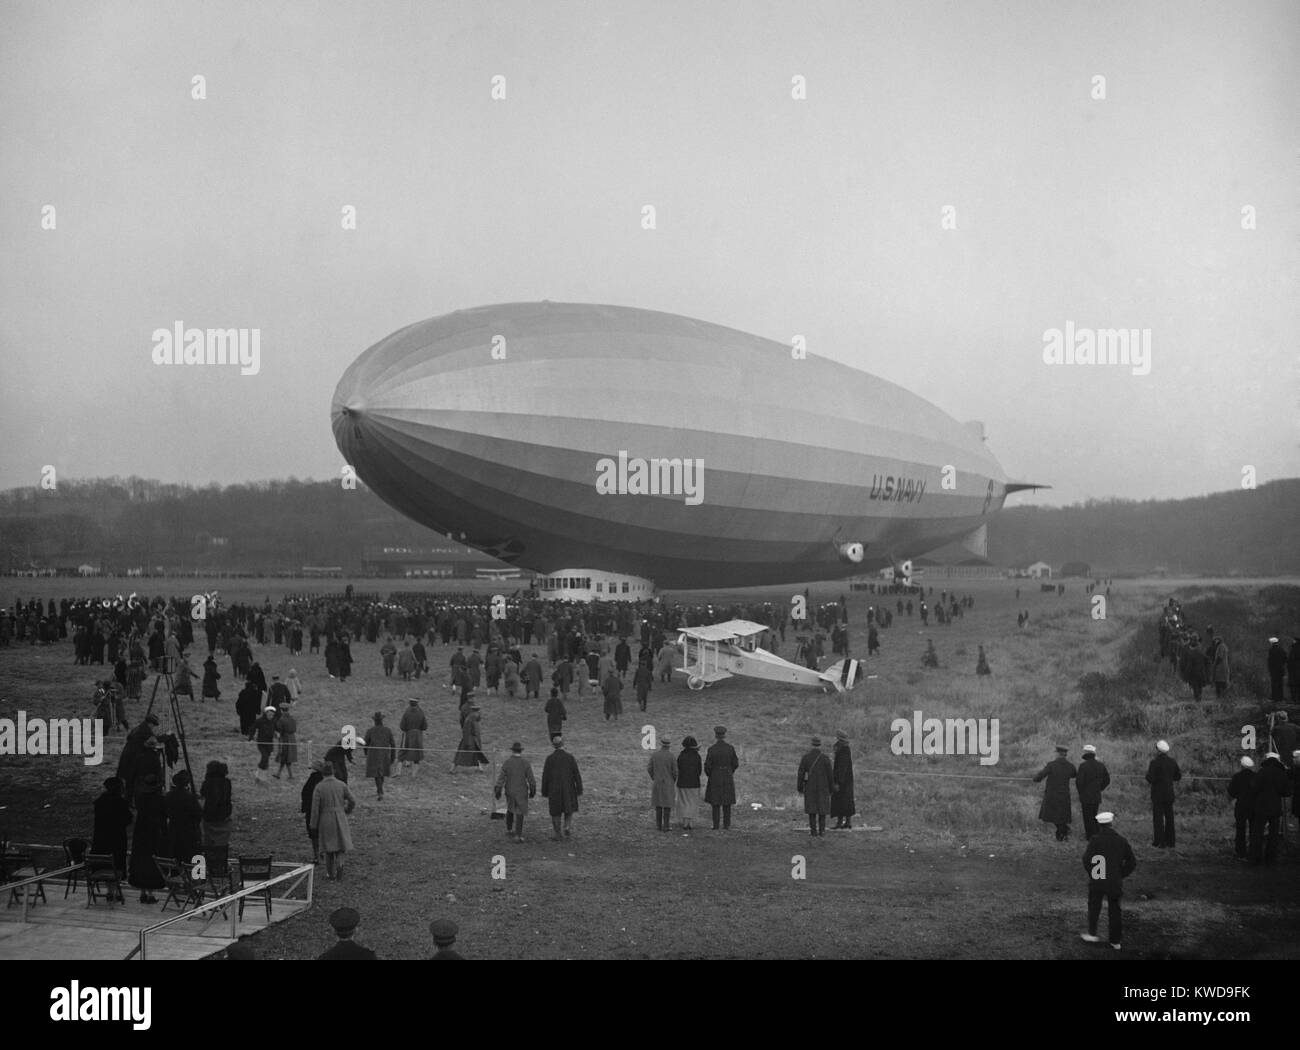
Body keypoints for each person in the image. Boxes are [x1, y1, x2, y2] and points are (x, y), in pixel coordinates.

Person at [1080, 811, 1137, 951]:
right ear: (1111, 823)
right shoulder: (1121, 840)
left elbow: (1086, 859)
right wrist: (1120, 874)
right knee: (1115, 909)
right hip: (1114, 880)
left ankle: (1092, 933)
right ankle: (1115, 941)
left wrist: (1094, 873)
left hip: (1098, 878)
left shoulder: (1095, 840)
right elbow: (1132, 862)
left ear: (1099, 825)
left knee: (1094, 905)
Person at [310, 762, 357, 881]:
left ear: (323, 773)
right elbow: (352, 800)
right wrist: (347, 810)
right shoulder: (341, 784)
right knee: (341, 846)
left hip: (326, 819)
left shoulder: (319, 787)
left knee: (329, 848)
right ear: (333, 772)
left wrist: (313, 824)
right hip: (340, 817)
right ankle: (340, 867)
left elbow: (315, 809)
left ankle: (330, 874)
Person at [128, 772, 166, 904]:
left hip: (141, 832)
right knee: (151, 862)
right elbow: (163, 816)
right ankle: (150, 893)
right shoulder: (160, 800)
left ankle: (142, 892)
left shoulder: (140, 798)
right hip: (153, 833)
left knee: (140, 860)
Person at [1248, 752, 1292, 866]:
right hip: (1275, 807)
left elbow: (1253, 787)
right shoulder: (1281, 773)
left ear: (1267, 760)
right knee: (1273, 835)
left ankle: (1255, 858)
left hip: (1261, 807)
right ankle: (1270, 859)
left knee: (1257, 833)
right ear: (1277, 761)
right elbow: (1287, 792)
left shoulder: (1262, 772)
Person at [91, 777, 132, 887]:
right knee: (116, 863)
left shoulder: (100, 802)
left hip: (101, 838)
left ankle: (109, 889)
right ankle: (113, 889)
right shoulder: (121, 802)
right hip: (117, 839)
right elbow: (128, 819)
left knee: (104, 864)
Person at [541, 735, 583, 840]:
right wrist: (579, 789)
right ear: (563, 744)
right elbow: (576, 774)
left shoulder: (549, 759)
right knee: (569, 809)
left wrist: (544, 791)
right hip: (568, 788)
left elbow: (545, 776)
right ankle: (567, 826)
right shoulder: (570, 757)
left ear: (553, 746)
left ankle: (557, 833)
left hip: (554, 789)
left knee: (555, 812)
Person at [495, 741, 537, 841]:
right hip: (521, 791)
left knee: (510, 808)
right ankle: (518, 835)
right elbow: (531, 780)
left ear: (513, 751)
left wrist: (498, 790)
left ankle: (509, 829)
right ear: (520, 751)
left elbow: (501, 779)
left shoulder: (507, 762)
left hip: (509, 790)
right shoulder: (525, 763)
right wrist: (533, 791)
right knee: (520, 812)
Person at [1033, 745, 1076, 841]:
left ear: (1058, 753)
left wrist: (1035, 779)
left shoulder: (1051, 765)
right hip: (1064, 795)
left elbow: (1040, 776)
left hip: (1052, 794)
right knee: (1061, 816)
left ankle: (1063, 833)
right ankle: (1063, 834)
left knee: (1053, 816)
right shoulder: (1070, 766)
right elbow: (1074, 774)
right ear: (1065, 755)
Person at [200, 759, 233, 882]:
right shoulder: (226, 783)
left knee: (208, 844)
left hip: (209, 817)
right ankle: (220, 867)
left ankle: (209, 866)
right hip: (223, 816)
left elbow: (203, 794)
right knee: (222, 845)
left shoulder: (207, 783)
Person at [1145, 740, 1181, 848]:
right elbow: (1178, 776)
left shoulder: (1154, 762)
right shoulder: (1172, 762)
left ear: (1158, 750)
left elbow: (1150, 778)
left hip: (1157, 794)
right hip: (1169, 793)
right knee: (1170, 818)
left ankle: (1159, 842)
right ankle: (1171, 842)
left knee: (1158, 818)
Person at [797, 737, 835, 836]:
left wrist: (800, 788)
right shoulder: (825, 759)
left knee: (812, 810)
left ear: (811, 745)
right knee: (822, 810)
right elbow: (830, 776)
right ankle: (822, 831)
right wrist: (831, 789)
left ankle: (813, 831)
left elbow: (801, 774)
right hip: (823, 787)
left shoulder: (806, 758)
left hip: (810, 787)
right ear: (820, 745)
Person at [164, 771, 203, 865]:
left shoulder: (169, 795)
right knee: (189, 858)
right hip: (188, 831)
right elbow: (199, 814)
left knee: (175, 856)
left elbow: (165, 811)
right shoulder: (190, 797)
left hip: (173, 830)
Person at [704, 726, 739, 830]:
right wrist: (730, 771)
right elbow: (735, 763)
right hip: (727, 775)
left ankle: (716, 825)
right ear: (724, 735)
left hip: (715, 776)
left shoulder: (712, 749)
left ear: (716, 735)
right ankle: (726, 825)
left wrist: (711, 774)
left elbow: (707, 766)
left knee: (715, 802)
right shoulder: (730, 748)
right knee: (727, 802)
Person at [1076, 744, 1110, 839]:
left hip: (1086, 796)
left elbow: (1079, 782)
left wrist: (1081, 793)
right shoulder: (1101, 765)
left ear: (1085, 754)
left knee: (1087, 817)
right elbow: (1107, 780)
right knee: (1094, 815)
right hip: (1096, 795)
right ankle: (1096, 833)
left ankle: (1089, 836)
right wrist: (1100, 788)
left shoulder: (1083, 766)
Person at [1227, 756, 1257, 861]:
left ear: (1242, 765)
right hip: (1254, 806)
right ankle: (1254, 852)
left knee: (1240, 829)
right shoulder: (1256, 776)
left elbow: (1231, 791)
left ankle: (1241, 853)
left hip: (1241, 805)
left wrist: (1238, 796)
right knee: (1254, 830)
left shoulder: (1237, 776)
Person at [363, 711, 397, 799]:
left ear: (374, 721)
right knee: (381, 773)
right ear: (382, 720)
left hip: (373, 755)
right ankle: (380, 790)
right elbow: (393, 744)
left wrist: (366, 753)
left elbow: (365, 744)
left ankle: (380, 791)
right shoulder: (387, 730)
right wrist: (393, 756)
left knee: (377, 774)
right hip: (384, 754)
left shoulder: (370, 731)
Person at [648, 737, 678, 832]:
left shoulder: (655, 755)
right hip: (668, 783)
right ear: (669, 746)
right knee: (667, 805)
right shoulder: (671, 756)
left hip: (657, 782)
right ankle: (666, 825)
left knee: (658, 804)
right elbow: (675, 771)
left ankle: (658, 825)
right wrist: (673, 780)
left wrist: (654, 777)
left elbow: (649, 768)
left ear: (661, 745)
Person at [301, 760, 326, 863]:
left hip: (312, 810)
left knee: (314, 834)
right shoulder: (325, 780)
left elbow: (304, 793)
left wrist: (305, 807)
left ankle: (317, 855)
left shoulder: (313, 778)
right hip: (324, 810)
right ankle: (323, 853)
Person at [676, 736, 702, 831]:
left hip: (682, 782)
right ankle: (690, 823)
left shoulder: (681, 756)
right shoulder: (697, 756)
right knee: (692, 802)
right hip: (694, 783)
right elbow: (699, 771)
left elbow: (678, 768)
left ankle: (685, 822)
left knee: (683, 802)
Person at [452, 703, 488, 773]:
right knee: (460, 755)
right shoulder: (468, 720)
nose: (479, 715)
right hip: (469, 741)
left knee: (477, 754)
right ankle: (452, 769)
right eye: (477, 713)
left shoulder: (474, 719)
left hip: (474, 740)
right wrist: (467, 742)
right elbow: (466, 731)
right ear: (474, 713)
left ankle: (480, 768)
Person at [830, 731, 855, 830]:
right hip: (846, 781)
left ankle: (841, 822)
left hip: (843, 781)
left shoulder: (843, 750)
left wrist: (838, 782)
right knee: (845, 801)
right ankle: (847, 822)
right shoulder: (844, 749)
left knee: (841, 801)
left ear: (839, 739)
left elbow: (842, 768)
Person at [398, 698, 428, 777]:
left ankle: (399, 771)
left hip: (407, 734)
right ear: (417, 703)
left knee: (403, 752)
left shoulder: (406, 713)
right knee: (416, 755)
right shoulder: (421, 713)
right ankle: (414, 775)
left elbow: (402, 726)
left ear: (409, 703)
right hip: (417, 735)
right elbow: (425, 727)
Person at [249, 706, 278, 783]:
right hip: (261, 743)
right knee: (265, 757)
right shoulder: (260, 721)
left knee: (266, 760)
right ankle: (258, 775)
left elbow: (276, 729)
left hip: (270, 743)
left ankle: (261, 777)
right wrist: (251, 737)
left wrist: (277, 734)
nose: (271, 716)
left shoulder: (274, 721)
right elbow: (252, 728)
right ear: (266, 713)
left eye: (272, 715)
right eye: (269, 715)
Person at [274, 701, 298, 780]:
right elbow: (294, 729)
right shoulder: (292, 718)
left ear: (281, 710)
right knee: (287, 757)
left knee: (284, 756)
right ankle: (281, 774)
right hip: (292, 738)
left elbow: (279, 730)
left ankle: (284, 774)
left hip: (285, 739)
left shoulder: (281, 720)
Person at [1267, 636, 1286, 704]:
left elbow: (1270, 661)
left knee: (1274, 683)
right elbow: (1285, 658)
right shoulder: (1281, 649)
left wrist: (1270, 668)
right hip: (1281, 669)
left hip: (1274, 670)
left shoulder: (1271, 650)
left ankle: (1275, 698)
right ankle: (1280, 698)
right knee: (1280, 683)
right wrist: (1281, 664)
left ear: (1272, 643)